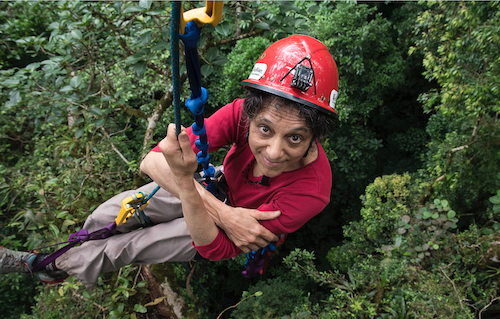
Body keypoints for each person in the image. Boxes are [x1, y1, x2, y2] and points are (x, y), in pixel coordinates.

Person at [0, 35, 339, 289]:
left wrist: (209, 208)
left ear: (316, 136)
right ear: (251, 114)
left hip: (217, 231)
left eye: (294, 138)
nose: (275, 151)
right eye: (264, 130)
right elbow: (152, 162)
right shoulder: (241, 113)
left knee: (128, 247)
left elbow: (216, 249)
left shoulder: (312, 190)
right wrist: (224, 212)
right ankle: (67, 252)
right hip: (218, 192)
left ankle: (43, 266)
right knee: (110, 213)